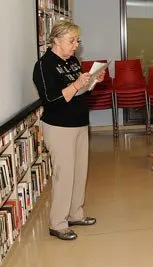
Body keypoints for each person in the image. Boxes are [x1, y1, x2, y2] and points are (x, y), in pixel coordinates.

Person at [32, 20, 105, 240]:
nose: (76, 45)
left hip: (80, 122)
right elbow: (52, 99)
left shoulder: (72, 61)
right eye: (71, 40)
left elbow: (80, 93)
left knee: (80, 171)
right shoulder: (44, 65)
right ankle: (58, 223)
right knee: (64, 175)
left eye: (77, 41)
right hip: (59, 125)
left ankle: (75, 214)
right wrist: (76, 84)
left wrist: (92, 82)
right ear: (56, 40)